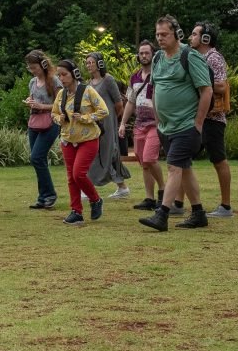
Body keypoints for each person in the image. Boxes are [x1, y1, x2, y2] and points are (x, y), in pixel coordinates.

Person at [139, 16, 213, 232]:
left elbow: (206, 90)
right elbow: (154, 89)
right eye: (157, 35)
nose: (160, 39)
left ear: (177, 34)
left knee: (173, 167)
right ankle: (198, 213)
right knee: (185, 168)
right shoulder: (157, 58)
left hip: (186, 125)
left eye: (164, 34)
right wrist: (158, 117)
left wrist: (198, 123)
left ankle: (162, 214)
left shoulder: (190, 56)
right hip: (165, 126)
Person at [52, 60, 108, 225]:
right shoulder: (61, 94)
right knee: (71, 177)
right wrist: (58, 119)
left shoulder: (88, 91)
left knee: (78, 174)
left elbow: (104, 111)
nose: (61, 78)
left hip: (88, 139)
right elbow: (53, 113)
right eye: (59, 75)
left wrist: (86, 118)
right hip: (67, 140)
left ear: (75, 74)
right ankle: (76, 211)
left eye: (64, 74)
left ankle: (95, 199)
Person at [189, 22, 234, 219]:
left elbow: (222, 86)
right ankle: (180, 202)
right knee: (182, 158)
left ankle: (226, 206)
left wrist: (197, 82)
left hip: (213, 118)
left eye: (194, 34)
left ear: (205, 38)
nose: (190, 37)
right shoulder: (195, 56)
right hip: (197, 116)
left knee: (218, 160)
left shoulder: (213, 57)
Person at [119, 40, 164, 210]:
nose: (144, 56)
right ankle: (149, 198)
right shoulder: (135, 77)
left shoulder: (159, 75)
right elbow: (130, 102)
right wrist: (123, 123)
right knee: (142, 161)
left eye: (147, 53)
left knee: (149, 158)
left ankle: (163, 191)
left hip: (155, 123)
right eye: (141, 53)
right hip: (139, 124)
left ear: (153, 54)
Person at [85, 52, 132, 199]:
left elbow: (119, 104)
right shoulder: (89, 83)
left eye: (91, 62)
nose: (89, 65)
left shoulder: (108, 80)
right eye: (87, 63)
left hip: (108, 123)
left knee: (109, 152)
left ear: (99, 64)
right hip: (94, 123)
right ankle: (121, 186)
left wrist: (112, 120)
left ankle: (89, 187)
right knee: (94, 153)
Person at [24, 50, 63, 209]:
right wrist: (30, 102)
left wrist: (42, 106)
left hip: (51, 122)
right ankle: (43, 196)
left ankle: (50, 195)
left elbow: (61, 104)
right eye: (30, 68)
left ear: (43, 65)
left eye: (34, 67)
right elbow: (34, 99)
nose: (32, 71)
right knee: (37, 159)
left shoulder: (54, 81)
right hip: (35, 122)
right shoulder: (32, 82)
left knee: (37, 157)